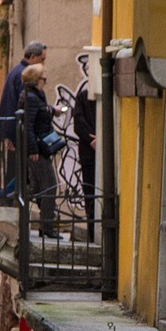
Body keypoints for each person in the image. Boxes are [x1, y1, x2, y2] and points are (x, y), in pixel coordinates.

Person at [0, 39, 46, 201]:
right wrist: (11, 135)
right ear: (32, 57)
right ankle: (1, 198)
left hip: (16, 132)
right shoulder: (23, 76)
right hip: (20, 134)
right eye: (41, 60)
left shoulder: (17, 71)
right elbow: (17, 107)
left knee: (25, 174)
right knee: (25, 174)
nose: (43, 64)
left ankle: (3, 199)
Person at [20, 64, 62, 239]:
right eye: (43, 78)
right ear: (35, 80)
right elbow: (27, 126)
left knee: (37, 187)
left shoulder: (37, 96)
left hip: (39, 148)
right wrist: (32, 149)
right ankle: (47, 226)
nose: (45, 82)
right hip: (36, 150)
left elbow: (40, 113)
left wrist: (52, 110)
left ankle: (10, 198)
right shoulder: (30, 97)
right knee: (51, 187)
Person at [72, 82, 96, 238]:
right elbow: (78, 124)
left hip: (88, 152)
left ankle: (94, 231)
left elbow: (79, 123)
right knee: (90, 193)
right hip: (89, 154)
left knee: (92, 194)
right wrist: (93, 139)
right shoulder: (83, 97)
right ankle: (92, 231)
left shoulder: (82, 97)